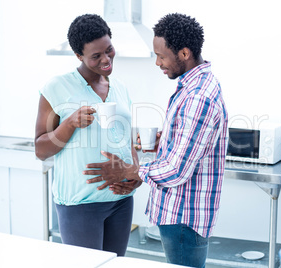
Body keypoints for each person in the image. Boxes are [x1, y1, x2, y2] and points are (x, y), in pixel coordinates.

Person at [84, 13, 229, 268]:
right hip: (181, 215)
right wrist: (167, 140)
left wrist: (128, 170)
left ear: (184, 53)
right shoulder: (196, 86)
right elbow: (191, 145)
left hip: (183, 217)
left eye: (161, 56)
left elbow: (176, 171)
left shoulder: (198, 97)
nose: (157, 63)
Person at [34, 14, 141, 256]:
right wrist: (69, 124)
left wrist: (136, 172)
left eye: (109, 50)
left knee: (115, 263)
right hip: (80, 204)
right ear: (79, 56)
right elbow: (41, 150)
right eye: (96, 56)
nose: (106, 59)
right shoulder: (56, 88)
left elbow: (126, 140)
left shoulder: (120, 88)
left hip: (121, 200)